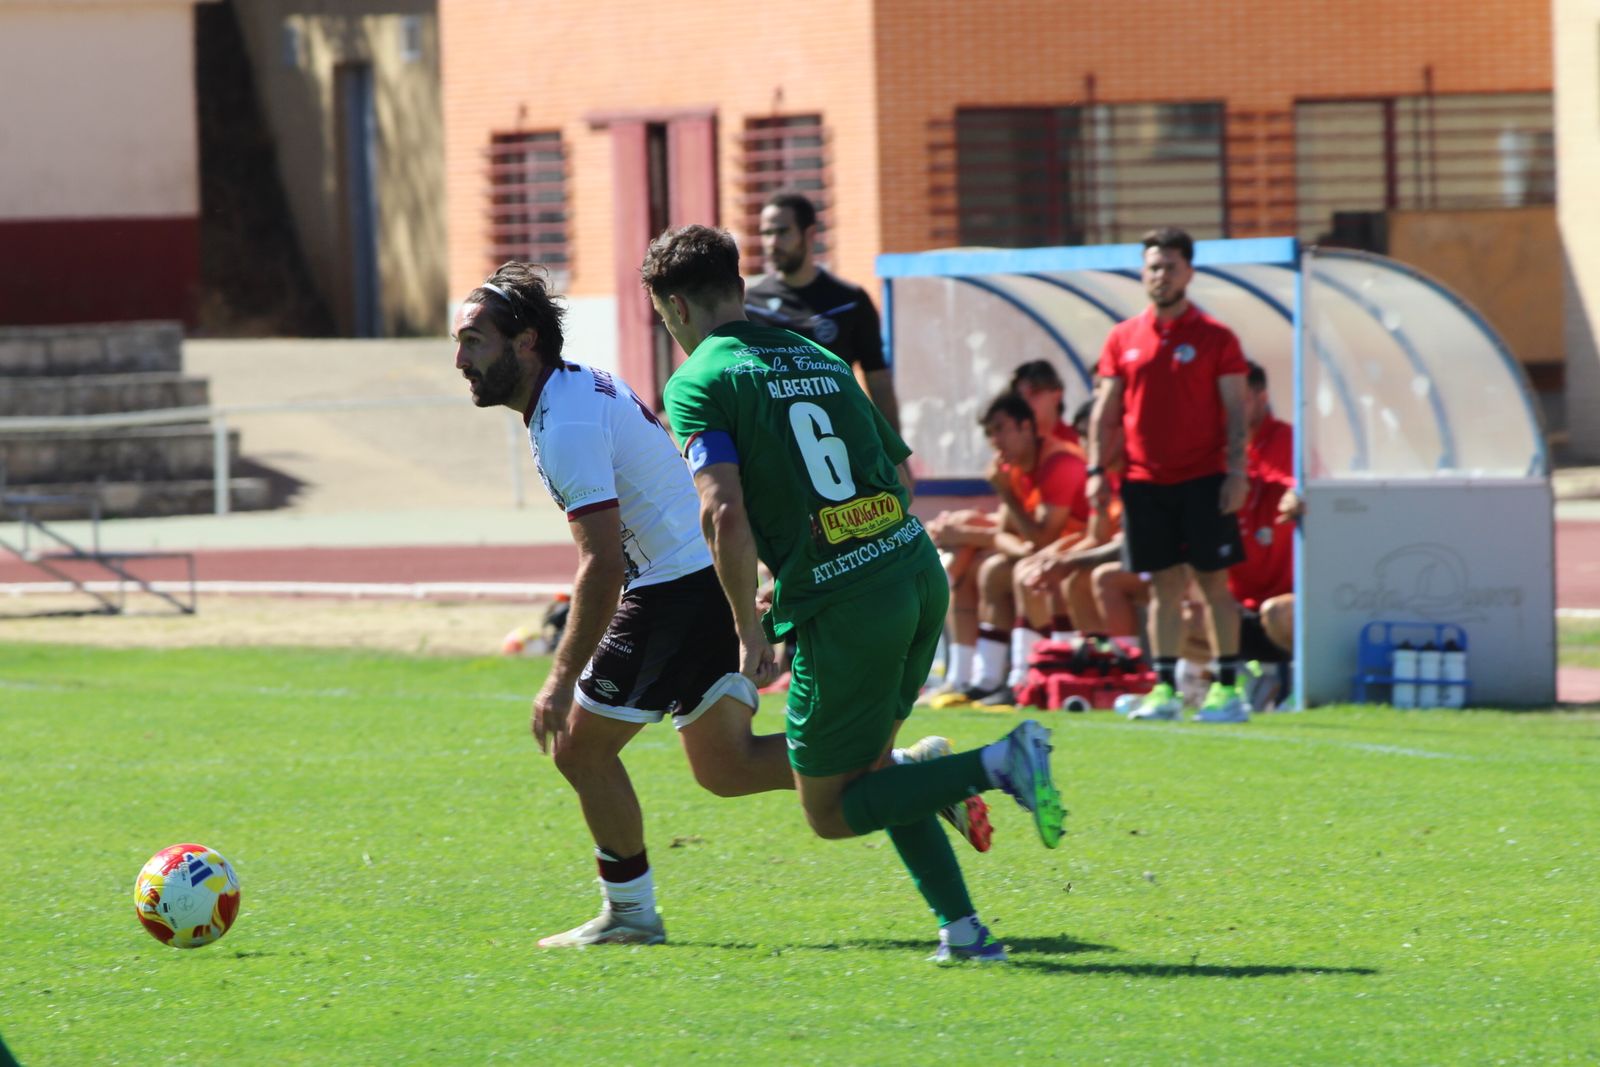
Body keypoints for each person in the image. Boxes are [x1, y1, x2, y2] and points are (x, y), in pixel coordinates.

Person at [641, 224, 1063, 964]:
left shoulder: (698, 380)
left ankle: (997, 763)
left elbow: (722, 511)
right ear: (740, 289)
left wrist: (751, 628)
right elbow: (896, 478)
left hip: (853, 609)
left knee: (831, 811)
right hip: (914, 574)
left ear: (674, 309)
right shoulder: (822, 357)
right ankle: (963, 930)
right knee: (870, 769)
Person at [452, 261, 799, 949]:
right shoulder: (573, 389)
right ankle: (899, 771)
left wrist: (557, 680)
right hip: (697, 577)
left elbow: (603, 563)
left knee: (577, 746)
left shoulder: (565, 420)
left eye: (474, 341)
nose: (459, 358)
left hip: (673, 586)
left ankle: (632, 912)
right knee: (725, 766)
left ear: (525, 343)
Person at [1087, 226, 1252, 723]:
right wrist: (1097, 469)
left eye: (1170, 267)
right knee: (1162, 588)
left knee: (1213, 583)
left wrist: (1237, 472)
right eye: (1153, 267)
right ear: (1144, 273)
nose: (1161, 276)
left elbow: (1236, 411)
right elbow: (1106, 409)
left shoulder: (1216, 337)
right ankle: (1164, 690)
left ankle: (1227, 689)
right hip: (1143, 480)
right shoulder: (1122, 337)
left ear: (1189, 272)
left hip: (1204, 478)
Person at [928, 392, 1087, 706]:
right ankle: (978, 679)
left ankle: (1027, 678)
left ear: (1026, 426)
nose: (994, 441)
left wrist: (995, 504)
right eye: (989, 433)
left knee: (1020, 572)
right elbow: (1007, 532)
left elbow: (1041, 540)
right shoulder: (1014, 466)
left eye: (1000, 429)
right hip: (1045, 551)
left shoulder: (1060, 462)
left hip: (1080, 553)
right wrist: (966, 531)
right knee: (989, 569)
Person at [747, 191, 901, 433]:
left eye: (782, 232)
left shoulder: (850, 301)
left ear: (809, 234)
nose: (772, 243)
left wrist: (897, 453)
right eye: (766, 233)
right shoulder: (750, 304)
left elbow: (878, 379)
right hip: (774, 442)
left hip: (838, 437)